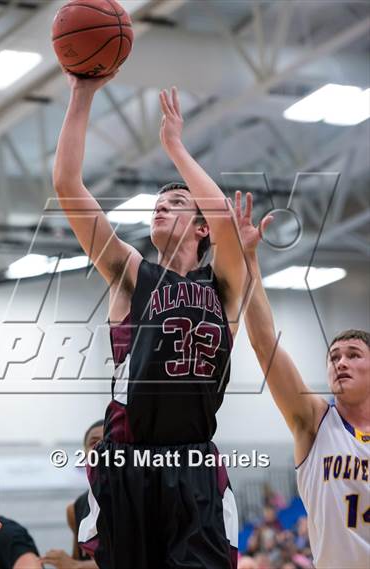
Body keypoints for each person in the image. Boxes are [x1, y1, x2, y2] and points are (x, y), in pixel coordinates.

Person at [53, 72, 246, 568]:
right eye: (158, 204)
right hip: (128, 461)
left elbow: (224, 217)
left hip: (195, 465)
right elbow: (67, 186)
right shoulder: (130, 274)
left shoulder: (223, 286)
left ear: (202, 227)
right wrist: (82, 93)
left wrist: (175, 147)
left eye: (176, 203)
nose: (161, 207)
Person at [235, 191, 370, 569]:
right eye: (334, 357)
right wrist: (249, 260)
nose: (340, 363)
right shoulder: (314, 419)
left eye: (353, 355)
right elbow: (264, 344)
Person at [42, 420, 104, 569]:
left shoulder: (140, 498)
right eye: (94, 442)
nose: (102, 448)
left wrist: (75, 565)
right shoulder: (75, 509)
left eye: (110, 440)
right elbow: (77, 562)